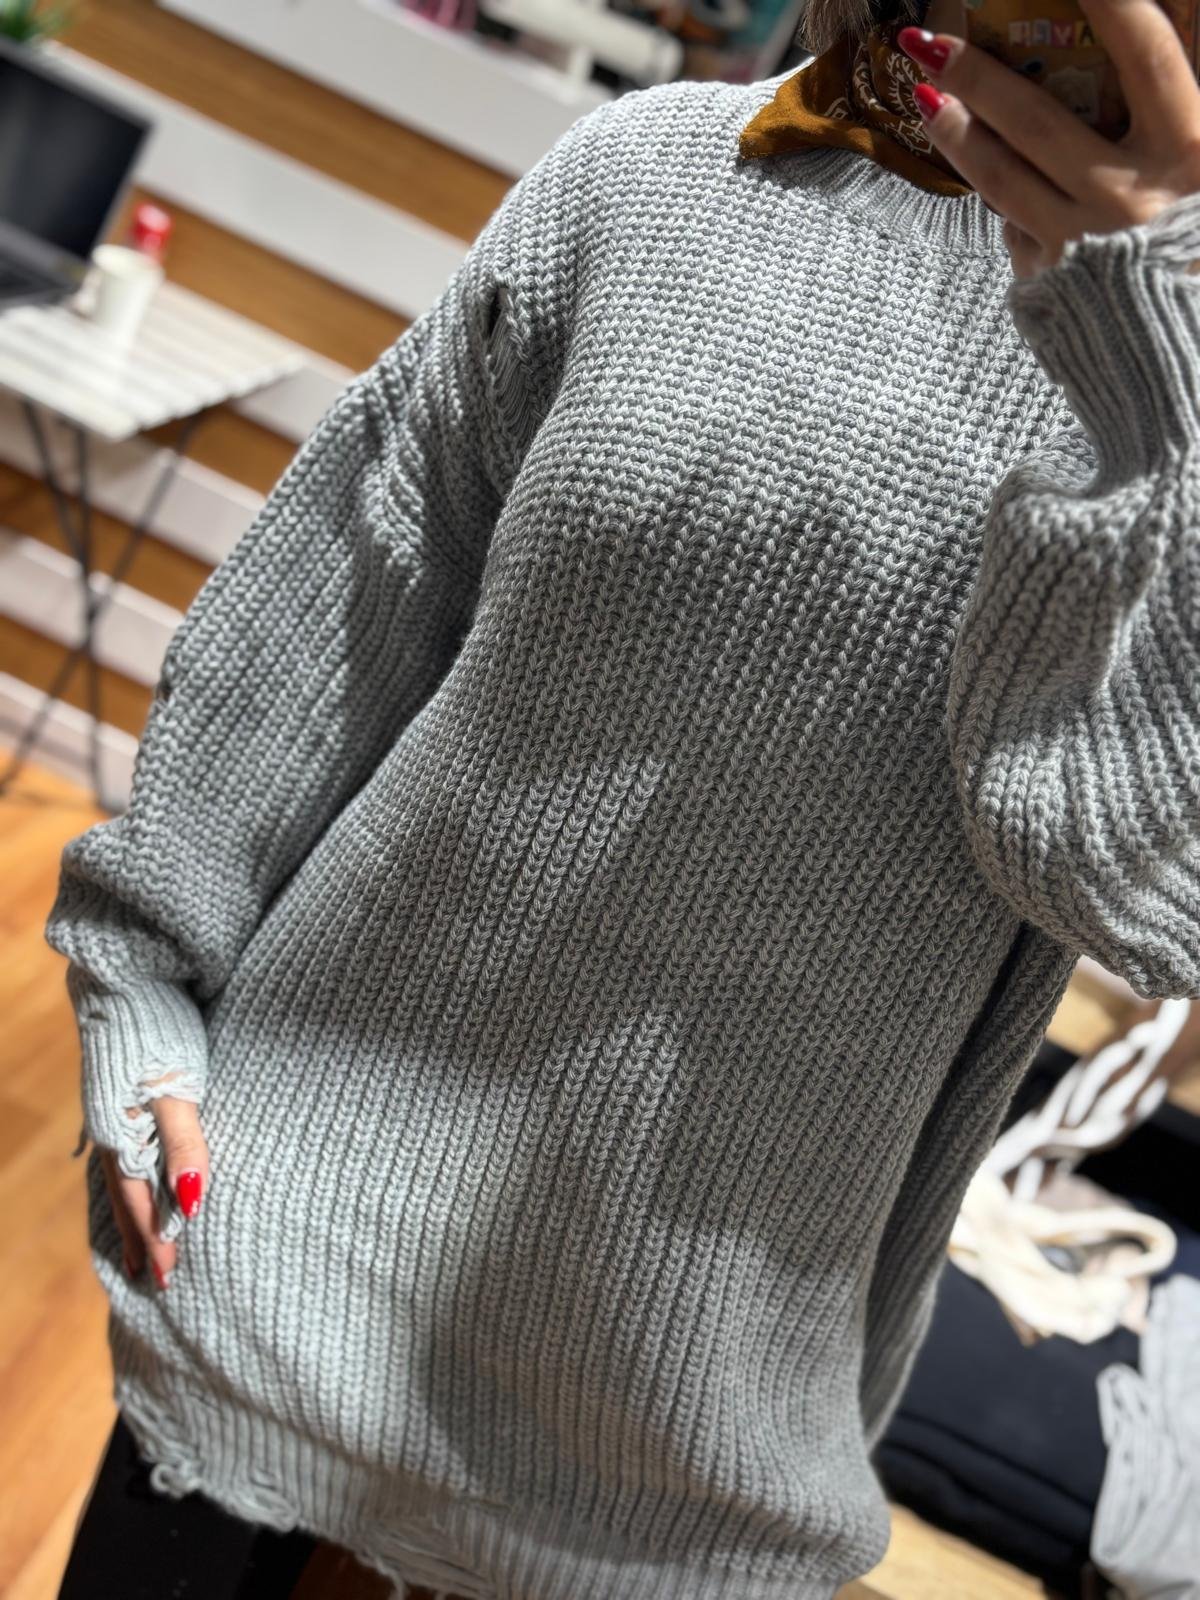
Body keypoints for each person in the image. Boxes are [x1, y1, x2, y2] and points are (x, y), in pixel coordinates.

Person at [46, 0, 1200, 1593]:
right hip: (266, 1250)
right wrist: (139, 988)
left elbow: (1139, 885)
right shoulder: (655, 175)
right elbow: (346, 610)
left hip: (679, 1444)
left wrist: (1157, 366)